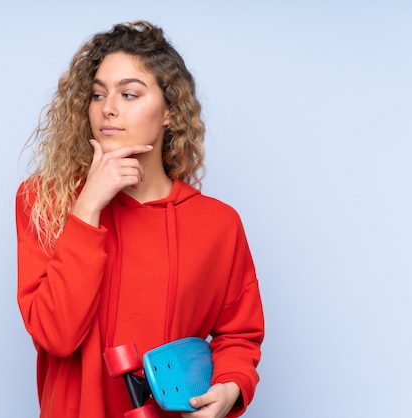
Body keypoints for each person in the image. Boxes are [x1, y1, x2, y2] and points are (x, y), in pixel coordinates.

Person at [15, 21, 264, 418]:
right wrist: (88, 205)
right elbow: (55, 335)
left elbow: (239, 335)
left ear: (169, 112)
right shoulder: (46, 201)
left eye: (129, 93)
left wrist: (230, 387)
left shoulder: (218, 224)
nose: (108, 107)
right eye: (98, 94)